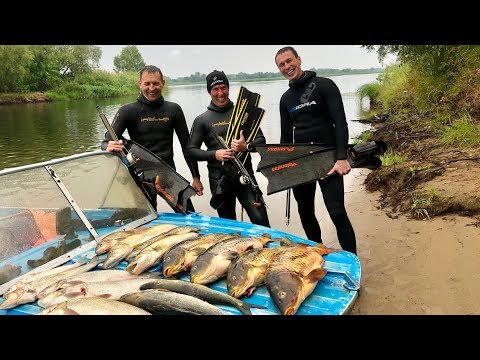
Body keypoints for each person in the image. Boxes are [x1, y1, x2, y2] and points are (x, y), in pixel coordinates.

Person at [274, 46, 357, 254]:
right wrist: (286, 167)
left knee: (337, 212)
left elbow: (340, 122)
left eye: (289, 61)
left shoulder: (324, 85)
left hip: (328, 158)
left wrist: (341, 158)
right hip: (302, 162)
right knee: (306, 213)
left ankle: (352, 260)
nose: (287, 67)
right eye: (282, 64)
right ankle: (319, 255)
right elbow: (286, 139)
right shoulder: (285, 99)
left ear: (299, 60)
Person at [101, 65, 203, 211]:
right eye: (147, 83)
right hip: (140, 173)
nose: (151, 88)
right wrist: (108, 146)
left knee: (189, 214)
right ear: (140, 84)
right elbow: (105, 142)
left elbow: (186, 147)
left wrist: (196, 177)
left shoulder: (174, 109)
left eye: (156, 83)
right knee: (146, 218)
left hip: (167, 172)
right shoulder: (127, 111)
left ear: (163, 83)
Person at [187, 70, 270, 227]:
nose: (220, 93)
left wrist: (246, 146)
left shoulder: (243, 114)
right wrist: (215, 154)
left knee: (261, 221)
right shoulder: (202, 120)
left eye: (223, 88)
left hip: (245, 176)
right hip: (220, 180)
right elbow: (191, 151)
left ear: (229, 88)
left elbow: (261, 141)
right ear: (209, 92)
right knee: (230, 227)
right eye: (215, 89)